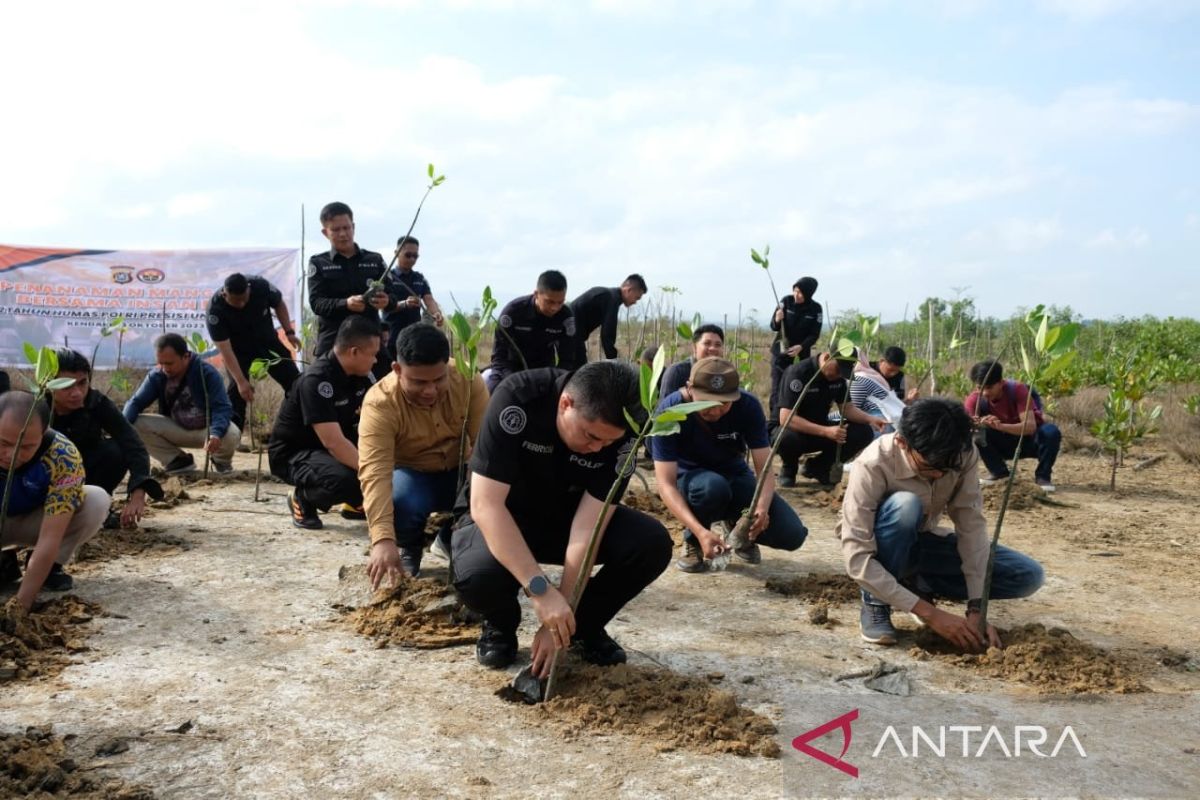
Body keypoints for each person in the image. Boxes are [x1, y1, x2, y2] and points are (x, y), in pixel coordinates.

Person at [452, 361, 672, 675]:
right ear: (565, 403)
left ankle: (580, 628)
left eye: (607, 443)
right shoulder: (518, 398)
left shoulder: (625, 435)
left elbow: (587, 530)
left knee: (650, 543)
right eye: (591, 435)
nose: (596, 448)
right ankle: (500, 625)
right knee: (477, 575)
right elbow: (487, 506)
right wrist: (541, 593)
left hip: (564, 518)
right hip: (503, 515)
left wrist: (561, 615)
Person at [837, 397, 1045, 647]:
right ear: (902, 443)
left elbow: (971, 527)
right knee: (905, 506)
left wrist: (977, 607)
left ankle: (914, 584)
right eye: (929, 467)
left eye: (947, 468)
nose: (938, 474)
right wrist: (931, 614)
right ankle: (875, 601)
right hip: (880, 545)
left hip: (923, 540)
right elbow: (857, 558)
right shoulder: (874, 463)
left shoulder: (963, 453)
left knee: (1027, 575)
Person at [651, 357, 808, 573]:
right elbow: (665, 484)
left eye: (723, 403)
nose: (715, 411)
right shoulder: (670, 411)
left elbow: (765, 468)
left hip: (734, 475)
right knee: (712, 488)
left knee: (792, 535)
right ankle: (695, 541)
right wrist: (699, 531)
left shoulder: (748, 406)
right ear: (690, 389)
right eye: (706, 403)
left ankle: (736, 526)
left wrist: (760, 508)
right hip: (692, 482)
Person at [360, 324, 488, 581]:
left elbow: (488, 450)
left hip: (459, 473)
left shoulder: (467, 379)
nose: (430, 391)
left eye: (438, 380)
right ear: (397, 370)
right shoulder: (380, 403)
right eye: (418, 382)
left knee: (493, 486)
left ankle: (452, 538)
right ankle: (409, 544)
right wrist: (383, 540)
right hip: (412, 476)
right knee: (402, 498)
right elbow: (375, 473)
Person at [269, 316, 380, 529]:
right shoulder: (317, 381)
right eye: (373, 355)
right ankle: (303, 497)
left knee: (383, 463)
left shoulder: (361, 375)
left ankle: (354, 503)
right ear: (354, 352)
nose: (375, 360)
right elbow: (334, 443)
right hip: (295, 453)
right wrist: (374, 472)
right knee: (349, 480)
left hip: (329, 452)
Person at [0, 392, 108, 601]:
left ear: (43, 435)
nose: (13, 455)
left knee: (95, 500)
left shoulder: (63, 456)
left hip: (36, 521)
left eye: (26, 447)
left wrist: (22, 605)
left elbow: (51, 537)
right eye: (3, 443)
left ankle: (49, 567)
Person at [50, 349, 163, 529]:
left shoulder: (97, 403)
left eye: (82, 383)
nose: (77, 392)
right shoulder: (35, 409)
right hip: (47, 480)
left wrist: (138, 491)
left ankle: (97, 508)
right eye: (67, 386)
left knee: (116, 450)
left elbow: (133, 444)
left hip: (87, 476)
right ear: (49, 384)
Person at [123, 333, 240, 475]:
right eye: (161, 363)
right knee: (134, 424)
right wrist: (120, 431)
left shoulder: (207, 373)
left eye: (170, 363)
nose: (165, 368)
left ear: (185, 357)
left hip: (206, 430)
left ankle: (221, 461)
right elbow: (135, 403)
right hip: (176, 427)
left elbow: (222, 407)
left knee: (231, 432)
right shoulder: (157, 376)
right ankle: (177, 461)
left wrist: (215, 434)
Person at [306, 201, 394, 379]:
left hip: (371, 342)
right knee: (318, 385)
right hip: (333, 341)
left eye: (346, 228)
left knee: (390, 386)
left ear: (353, 227)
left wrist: (387, 301)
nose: (343, 234)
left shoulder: (375, 260)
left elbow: (393, 298)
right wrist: (345, 304)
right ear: (325, 232)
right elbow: (316, 303)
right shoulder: (318, 263)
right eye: (336, 230)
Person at [206, 272, 302, 431]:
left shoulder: (260, 286)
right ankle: (233, 436)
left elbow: (279, 303)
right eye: (236, 301)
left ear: (249, 289)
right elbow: (226, 350)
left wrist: (289, 332)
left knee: (296, 383)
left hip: (268, 343)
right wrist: (241, 382)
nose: (242, 304)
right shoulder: (215, 310)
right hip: (238, 351)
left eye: (244, 298)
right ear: (225, 294)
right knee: (237, 392)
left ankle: (295, 428)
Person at [774, 349, 884, 487]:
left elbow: (847, 409)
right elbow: (786, 418)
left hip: (821, 427)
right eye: (838, 369)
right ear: (826, 357)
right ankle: (789, 469)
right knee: (787, 437)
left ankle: (817, 467)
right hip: (793, 432)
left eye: (842, 372)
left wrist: (870, 419)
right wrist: (826, 431)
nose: (839, 375)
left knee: (863, 432)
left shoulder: (838, 379)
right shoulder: (798, 373)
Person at [964, 360, 1061, 492]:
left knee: (1051, 432)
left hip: (1029, 442)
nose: (984, 392)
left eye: (989, 387)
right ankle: (999, 473)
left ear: (1001, 383)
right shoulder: (974, 399)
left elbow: (1029, 427)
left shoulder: (1018, 390)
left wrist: (1000, 426)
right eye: (980, 387)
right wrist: (978, 423)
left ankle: (1043, 476)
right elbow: (965, 428)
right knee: (977, 433)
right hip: (1003, 445)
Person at [486, 270, 577, 392]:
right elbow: (499, 358)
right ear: (536, 294)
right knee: (493, 391)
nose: (555, 308)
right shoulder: (513, 312)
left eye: (560, 302)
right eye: (549, 301)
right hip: (510, 370)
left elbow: (567, 360)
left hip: (544, 372)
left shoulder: (566, 317)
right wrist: (514, 382)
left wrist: (557, 381)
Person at [768, 277, 823, 420]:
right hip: (781, 353)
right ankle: (774, 420)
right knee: (777, 388)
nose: (796, 295)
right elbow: (773, 326)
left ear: (808, 294)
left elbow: (814, 334)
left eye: (800, 293)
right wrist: (777, 319)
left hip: (800, 356)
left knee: (796, 387)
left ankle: (793, 418)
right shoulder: (785, 301)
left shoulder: (816, 309)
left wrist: (801, 347)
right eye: (795, 291)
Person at [382, 236, 445, 359]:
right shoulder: (387, 277)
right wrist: (404, 304)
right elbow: (384, 306)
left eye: (415, 256)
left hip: (413, 337)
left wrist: (436, 313)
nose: (412, 259)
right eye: (408, 255)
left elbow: (429, 299)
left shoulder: (419, 278)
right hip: (391, 337)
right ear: (397, 253)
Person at [569, 274, 647, 364]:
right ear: (629, 290)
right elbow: (607, 336)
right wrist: (615, 362)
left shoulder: (609, 296)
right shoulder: (611, 299)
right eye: (636, 298)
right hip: (570, 335)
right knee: (577, 370)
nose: (635, 302)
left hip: (572, 334)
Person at [660, 324, 725, 398]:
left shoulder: (725, 374)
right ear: (694, 348)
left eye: (718, 345)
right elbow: (664, 408)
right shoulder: (677, 372)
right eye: (707, 343)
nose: (713, 348)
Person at [849, 356, 907, 438]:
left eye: (896, 371)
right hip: (894, 421)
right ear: (881, 361)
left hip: (884, 424)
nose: (892, 374)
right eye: (890, 370)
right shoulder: (873, 374)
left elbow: (850, 411)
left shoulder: (859, 379)